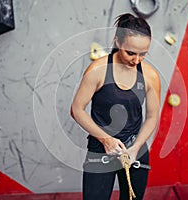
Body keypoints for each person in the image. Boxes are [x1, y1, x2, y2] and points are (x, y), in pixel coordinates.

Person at [71, 13, 161, 200]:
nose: (136, 60)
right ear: (118, 42)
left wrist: (136, 148)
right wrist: (105, 140)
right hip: (101, 147)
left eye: (143, 54)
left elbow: (152, 116)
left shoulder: (150, 76)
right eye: (130, 52)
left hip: (134, 148)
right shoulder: (98, 70)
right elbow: (77, 109)